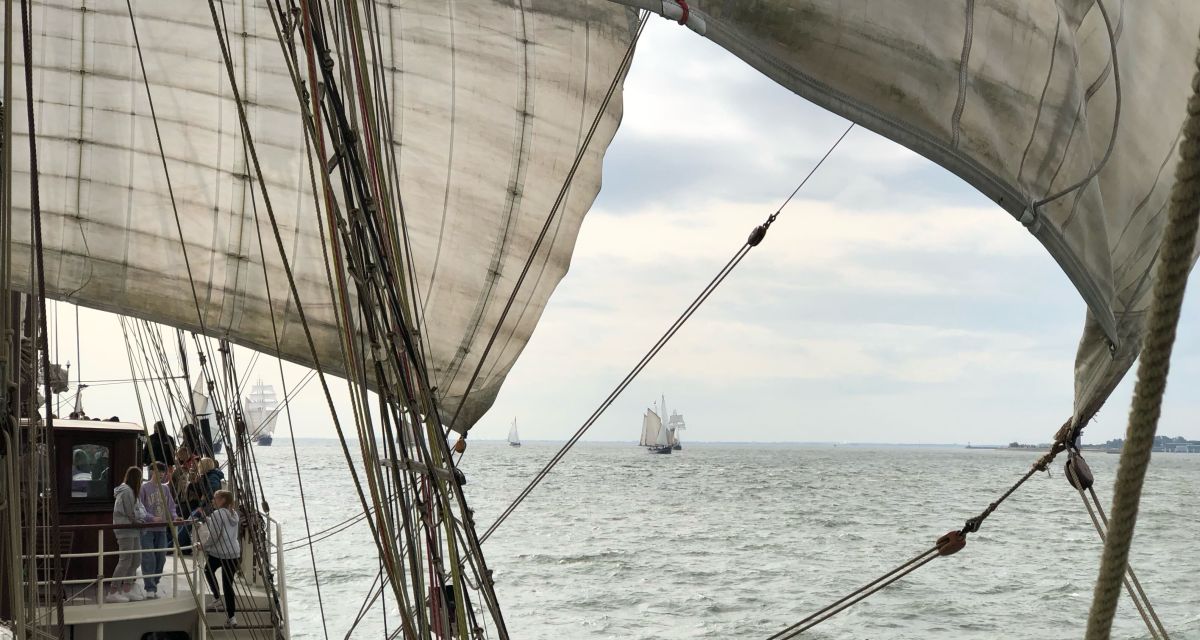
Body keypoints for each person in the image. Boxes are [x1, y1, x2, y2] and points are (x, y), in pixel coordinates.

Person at [198, 489, 241, 627]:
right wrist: (208, 519)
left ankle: (217, 597)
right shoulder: (234, 514)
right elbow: (225, 526)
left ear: (222, 500)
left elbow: (215, 535)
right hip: (234, 553)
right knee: (228, 585)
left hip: (220, 552)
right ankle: (232, 617)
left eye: (215, 498)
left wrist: (204, 546)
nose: (213, 500)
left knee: (207, 570)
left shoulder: (217, 514)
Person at [109, 466, 150, 603]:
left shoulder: (132, 492)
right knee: (125, 559)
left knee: (136, 559)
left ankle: (127, 589)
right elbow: (130, 512)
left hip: (134, 530)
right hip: (126, 529)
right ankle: (113, 592)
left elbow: (137, 510)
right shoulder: (127, 492)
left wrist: (139, 519)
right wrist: (138, 520)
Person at [139, 461, 178, 599]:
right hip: (147, 529)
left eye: (163, 472)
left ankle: (154, 582)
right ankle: (150, 587)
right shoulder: (144, 488)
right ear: (151, 472)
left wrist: (174, 517)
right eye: (158, 471)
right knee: (149, 557)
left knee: (161, 558)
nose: (161, 474)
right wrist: (151, 518)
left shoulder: (165, 489)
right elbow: (140, 508)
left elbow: (171, 506)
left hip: (161, 529)